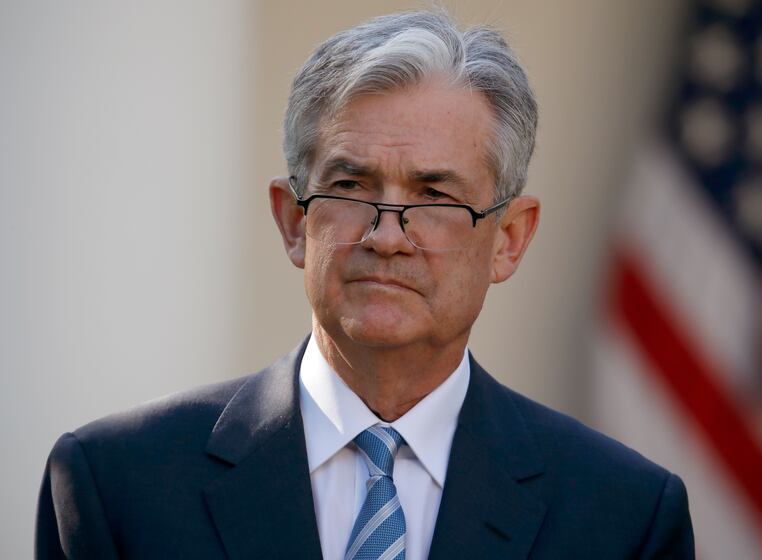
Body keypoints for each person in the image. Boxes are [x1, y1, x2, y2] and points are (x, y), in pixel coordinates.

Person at [35, 10, 694, 559]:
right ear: (294, 221)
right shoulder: (116, 484)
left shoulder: (623, 517)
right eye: (350, 186)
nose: (386, 234)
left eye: (434, 195)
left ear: (510, 239)